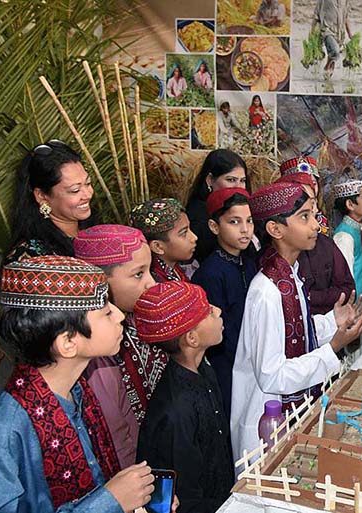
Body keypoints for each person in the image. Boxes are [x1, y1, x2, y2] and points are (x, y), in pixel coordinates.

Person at [0, 255, 161, 513]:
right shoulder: (2, 431)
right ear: (68, 343)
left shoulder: (77, 389)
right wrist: (109, 502)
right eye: (106, 312)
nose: (118, 315)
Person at [229, 181, 362, 459]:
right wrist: (333, 349)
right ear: (275, 229)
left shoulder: (289, 274)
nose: (315, 226)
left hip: (287, 413)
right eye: (304, 217)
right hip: (266, 420)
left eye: (314, 216)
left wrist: (333, 321)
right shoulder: (268, 291)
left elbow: (297, 331)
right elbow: (273, 376)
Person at [73, 224, 166, 469]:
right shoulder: (96, 354)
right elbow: (117, 435)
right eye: (139, 274)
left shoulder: (136, 318)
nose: (151, 283)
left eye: (150, 271)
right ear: (100, 282)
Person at [134, 281, 232, 513]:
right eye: (208, 311)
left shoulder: (203, 370)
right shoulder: (176, 410)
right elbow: (186, 497)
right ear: (192, 339)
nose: (217, 310)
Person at [191, 188, 257, 416]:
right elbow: (219, 334)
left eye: (249, 221)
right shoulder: (210, 273)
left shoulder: (250, 260)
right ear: (214, 227)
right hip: (227, 364)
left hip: (254, 356)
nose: (245, 229)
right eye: (234, 222)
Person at [277, 170, 355, 315]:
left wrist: (310, 297)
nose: (313, 210)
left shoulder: (325, 244)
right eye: (302, 211)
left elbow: (347, 289)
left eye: (312, 203)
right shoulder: (271, 260)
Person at [6, 140, 96, 264]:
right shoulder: (31, 257)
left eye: (88, 183)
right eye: (75, 190)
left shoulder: (97, 233)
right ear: (42, 195)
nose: (88, 194)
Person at [186, 149, 250, 263]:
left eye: (243, 181)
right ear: (210, 180)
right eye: (231, 180)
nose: (238, 187)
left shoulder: (245, 207)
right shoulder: (198, 217)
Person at [129, 198, 197, 282]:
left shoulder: (174, 269)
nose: (194, 237)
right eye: (183, 233)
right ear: (158, 247)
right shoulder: (156, 285)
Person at [332, 179, 362, 301]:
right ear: (350, 204)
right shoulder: (344, 236)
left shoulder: (356, 228)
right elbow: (343, 277)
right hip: (351, 304)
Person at [312, 0, 352, 74]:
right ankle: (327, 67)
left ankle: (328, 74)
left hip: (339, 33)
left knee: (332, 53)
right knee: (335, 51)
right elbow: (316, 14)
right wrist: (312, 31)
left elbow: (346, 17)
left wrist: (350, 34)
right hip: (327, 30)